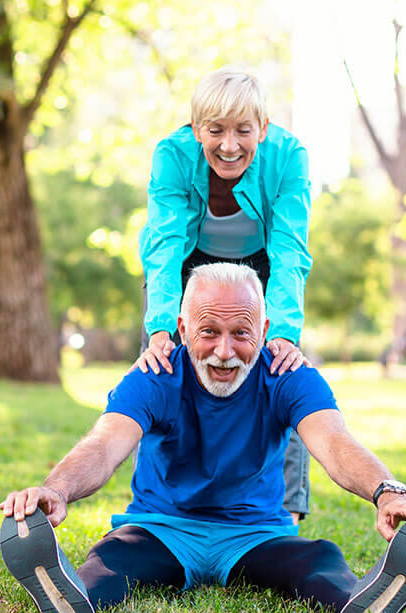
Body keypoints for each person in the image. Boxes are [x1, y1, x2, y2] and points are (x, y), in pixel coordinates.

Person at [0, 264, 406, 613]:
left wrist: (387, 492)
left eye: (241, 333)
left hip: (256, 534)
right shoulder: (155, 375)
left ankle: (359, 605)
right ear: (182, 328)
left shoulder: (288, 376)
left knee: (316, 560)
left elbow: (334, 442)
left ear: (265, 329)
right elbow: (104, 444)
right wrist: (55, 490)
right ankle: (71, 599)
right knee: (112, 560)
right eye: (208, 331)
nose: (225, 351)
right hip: (161, 529)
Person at [134, 67, 314, 524]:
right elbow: (165, 245)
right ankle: (158, 501)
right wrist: (159, 329)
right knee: (160, 368)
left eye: (243, 131)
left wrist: (286, 333)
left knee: (281, 370)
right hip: (187, 263)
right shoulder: (172, 156)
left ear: (264, 129)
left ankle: (285, 511)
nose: (229, 145)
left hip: (263, 265)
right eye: (215, 131)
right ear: (197, 130)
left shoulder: (289, 157)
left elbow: (290, 249)